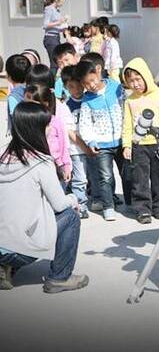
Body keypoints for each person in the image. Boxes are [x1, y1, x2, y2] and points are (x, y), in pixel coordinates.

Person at [0, 102, 89, 293]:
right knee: (71, 216)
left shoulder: (3, 154)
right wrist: (74, 198)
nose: (51, 128)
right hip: (19, 249)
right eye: (47, 125)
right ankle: (59, 277)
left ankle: (4, 266)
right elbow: (59, 205)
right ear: (37, 129)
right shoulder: (40, 162)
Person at [122, 57, 159, 224]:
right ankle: (143, 210)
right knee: (139, 179)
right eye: (130, 81)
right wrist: (127, 145)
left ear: (146, 76)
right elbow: (127, 125)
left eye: (137, 79)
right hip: (138, 146)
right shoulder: (130, 100)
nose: (135, 84)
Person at [75, 59, 124, 221]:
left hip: (121, 140)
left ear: (98, 72)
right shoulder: (87, 100)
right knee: (106, 176)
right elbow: (85, 124)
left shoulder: (116, 88)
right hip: (101, 144)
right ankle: (108, 206)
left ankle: (129, 200)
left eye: (92, 80)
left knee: (127, 174)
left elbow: (126, 109)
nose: (91, 85)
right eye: (86, 84)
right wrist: (91, 141)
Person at [61, 65, 96, 219]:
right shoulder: (66, 106)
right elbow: (69, 131)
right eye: (71, 87)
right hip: (76, 149)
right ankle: (80, 205)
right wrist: (83, 146)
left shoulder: (91, 99)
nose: (76, 89)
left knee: (94, 175)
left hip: (92, 146)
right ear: (65, 87)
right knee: (80, 179)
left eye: (79, 85)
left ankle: (100, 198)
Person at [24, 84, 72, 187]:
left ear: (45, 104)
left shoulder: (55, 122)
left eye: (31, 105)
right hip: (32, 166)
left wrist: (66, 165)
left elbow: (63, 145)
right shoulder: (24, 122)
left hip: (55, 166)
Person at [43, 0, 67, 76]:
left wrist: (64, 26)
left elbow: (57, 27)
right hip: (50, 38)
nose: (62, 4)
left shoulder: (57, 11)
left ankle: (51, 81)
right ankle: (50, 83)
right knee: (54, 63)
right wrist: (59, 22)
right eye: (61, 1)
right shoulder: (49, 9)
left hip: (56, 37)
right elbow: (45, 25)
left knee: (58, 62)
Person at [5, 54, 31, 129]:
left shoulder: (13, 97)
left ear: (8, 76)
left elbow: (17, 123)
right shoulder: (34, 89)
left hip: (21, 137)